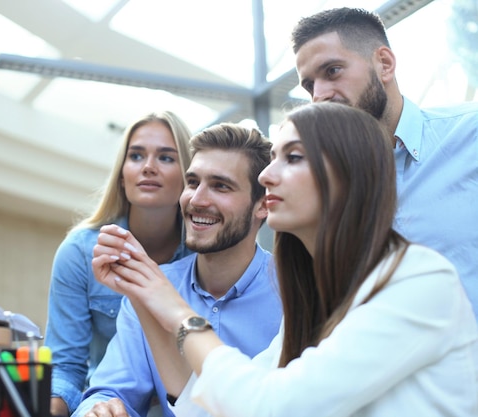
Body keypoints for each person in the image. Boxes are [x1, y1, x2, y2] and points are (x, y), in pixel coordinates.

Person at [92, 102, 478, 416]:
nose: (267, 176)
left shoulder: (421, 282)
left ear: (348, 175)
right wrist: (145, 293)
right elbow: (207, 409)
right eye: (273, 157)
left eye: (292, 158)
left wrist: (178, 313)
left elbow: (269, 407)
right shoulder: (315, 303)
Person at [74, 123, 283, 417]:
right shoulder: (151, 287)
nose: (196, 200)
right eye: (193, 182)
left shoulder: (294, 292)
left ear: (262, 204)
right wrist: (100, 409)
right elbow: (112, 389)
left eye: (221, 186)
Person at [290, 7, 478, 319]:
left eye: (332, 71)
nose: (319, 95)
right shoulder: (324, 188)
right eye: (309, 86)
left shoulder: (470, 136)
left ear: (385, 64)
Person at [44, 111, 195, 417]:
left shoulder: (203, 255)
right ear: (122, 174)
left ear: (189, 176)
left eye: (166, 158)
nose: (149, 167)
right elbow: (66, 366)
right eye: (136, 156)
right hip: (107, 406)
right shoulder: (80, 252)